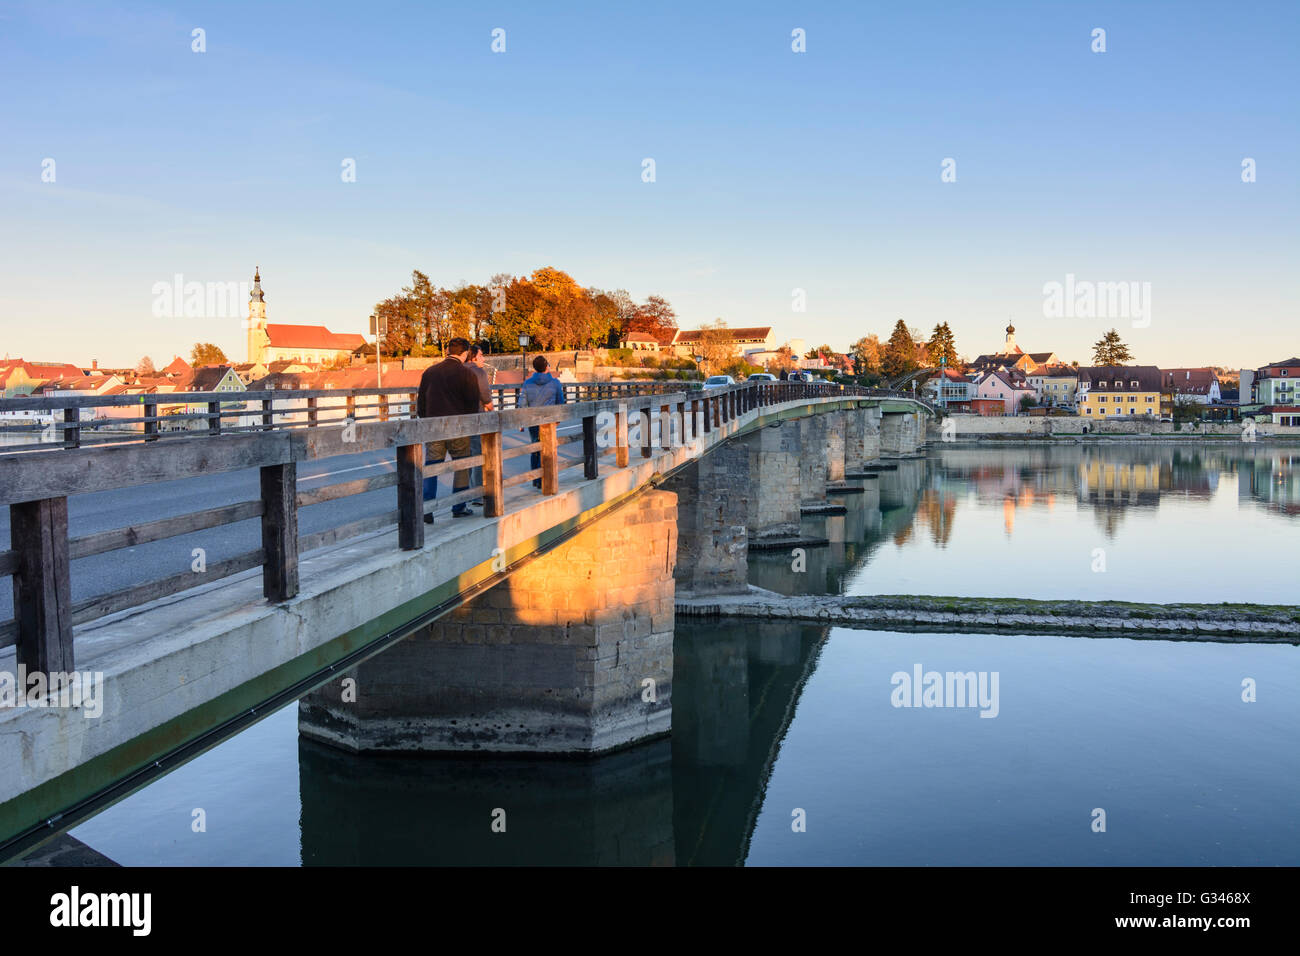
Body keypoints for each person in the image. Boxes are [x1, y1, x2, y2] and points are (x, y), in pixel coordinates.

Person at [416, 337, 481, 521]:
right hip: (458, 429)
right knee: (460, 466)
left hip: (434, 428)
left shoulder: (430, 372)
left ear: (448, 351)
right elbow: (472, 406)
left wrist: (426, 421)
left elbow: (421, 402)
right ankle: (458, 506)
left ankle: (427, 509)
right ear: (466, 352)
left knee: (432, 467)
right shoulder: (468, 375)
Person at [517, 355, 565, 489]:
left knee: (535, 448)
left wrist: (521, 422)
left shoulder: (527, 383)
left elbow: (522, 403)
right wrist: (558, 420)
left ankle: (536, 479)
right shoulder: (555, 382)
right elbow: (560, 402)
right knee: (548, 449)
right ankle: (546, 477)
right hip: (548, 422)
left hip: (533, 421)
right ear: (547, 367)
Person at [464, 345, 495, 506]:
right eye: (481, 355)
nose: (483, 359)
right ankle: (476, 494)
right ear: (473, 357)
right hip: (476, 419)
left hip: (459, 420)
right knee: (477, 455)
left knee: (464, 457)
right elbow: (485, 396)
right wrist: (491, 409)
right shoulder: (478, 372)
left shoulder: (458, 371)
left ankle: (465, 494)